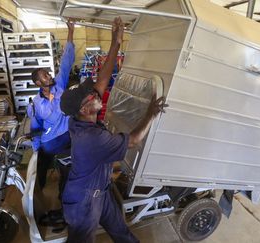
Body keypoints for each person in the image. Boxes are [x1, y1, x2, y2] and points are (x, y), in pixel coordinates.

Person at [60, 17, 168, 243]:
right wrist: (151, 112)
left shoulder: (82, 118)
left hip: (100, 191)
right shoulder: (91, 137)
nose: (97, 93)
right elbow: (134, 140)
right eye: (92, 94)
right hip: (84, 202)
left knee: (121, 232)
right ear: (85, 107)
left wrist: (116, 42)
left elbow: (103, 79)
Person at [27, 20, 75, 201]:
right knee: (41, 164)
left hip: (66, 135)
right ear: (39, 84)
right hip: (52, 141)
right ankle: (37, 193)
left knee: (69, 165)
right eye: (45, 76)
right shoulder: (38, 103)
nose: (49, 76)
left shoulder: (58, 85)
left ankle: (65, 192)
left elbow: (66, 61)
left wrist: (70, 31)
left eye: (48, 73)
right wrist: (36, 147)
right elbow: (53, 116)